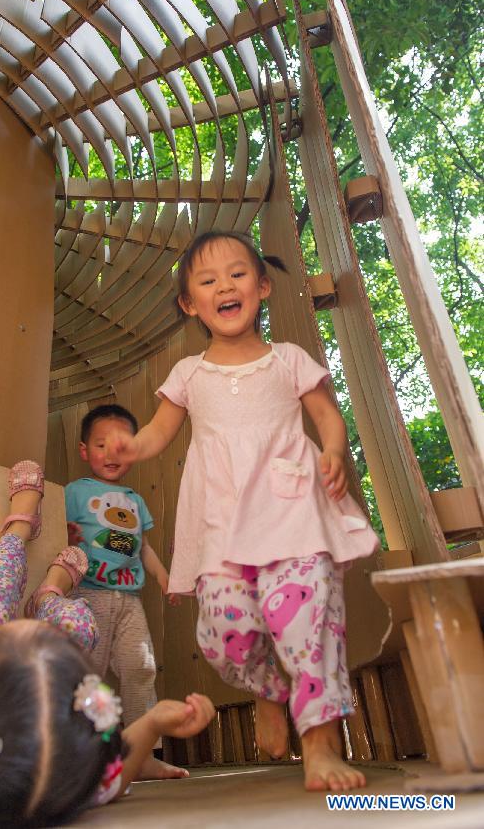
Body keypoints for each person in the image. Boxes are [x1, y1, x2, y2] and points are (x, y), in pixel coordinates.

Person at [103, 230, 381, 793]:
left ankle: (322, 743)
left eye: (236, 274)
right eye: (207, 281)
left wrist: (331, 449)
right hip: (222, 526)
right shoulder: (188, 374)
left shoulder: (289, 360)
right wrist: (134, 446)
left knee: (308, 622)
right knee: (223, 635)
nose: (224, 286)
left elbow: (328, 415)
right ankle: (269, 691)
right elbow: (159, 430)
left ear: (262, 286)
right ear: (190, 303)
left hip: (292, 510)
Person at [0, 461, 215, 828]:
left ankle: (19, 529)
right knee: (80, 627)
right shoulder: (50, 771)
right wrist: (151, 723)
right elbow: (110, 778)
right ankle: (48, 595)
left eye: (3, 643)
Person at [65, 404, 185, 782]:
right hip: (88, 595)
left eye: (120, 446)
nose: (110, 454)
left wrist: (165, 577)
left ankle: (141, 754)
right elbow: (60, 530)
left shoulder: (135, 500)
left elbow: (141, 546)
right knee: (90, 675)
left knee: (141, 667)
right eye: (101, 445)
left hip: (129, 600)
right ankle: (83, 755)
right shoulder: (75, 492)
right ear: (85, 451)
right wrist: (66, 537)